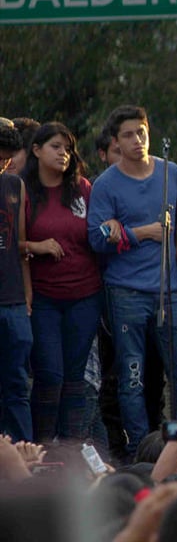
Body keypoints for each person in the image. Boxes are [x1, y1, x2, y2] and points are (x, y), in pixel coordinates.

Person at [88, 104, 177, 455]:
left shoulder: (172, 172)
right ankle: (141, 448)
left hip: (170, 288)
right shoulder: (106, 185)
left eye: (142, 132)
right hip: (126, 291)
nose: (137, 140)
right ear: (115, 142)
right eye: (128, 135)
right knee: (132, 378)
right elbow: (97, 237)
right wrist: (139, 233)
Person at [21, 122, 103, 442]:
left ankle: (70, 450)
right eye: (56, 146)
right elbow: (10, 243)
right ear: (37, 150)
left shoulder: (82, 188)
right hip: (44, 298)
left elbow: (96, 233)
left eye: (67, 148)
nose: (63, 154)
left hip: (85, 295)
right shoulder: (23, 191)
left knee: (74, 378)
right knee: (50, 375)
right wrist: (35, 246)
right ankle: (40, 447)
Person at [0, 117, 33, 441]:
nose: (4, 162)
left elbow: (19, 244)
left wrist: (27, 294)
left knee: (17, 385)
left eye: (7, 156)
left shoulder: (14, 185)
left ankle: (26, 454)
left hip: (12, 300)